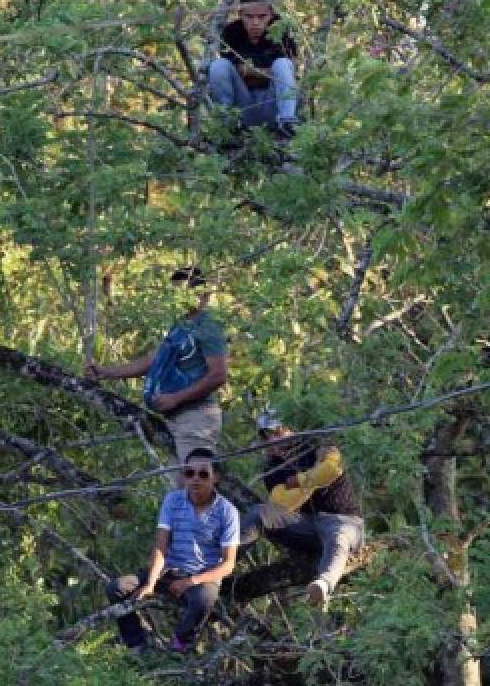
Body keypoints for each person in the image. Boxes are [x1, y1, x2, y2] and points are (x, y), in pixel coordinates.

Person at [86, 267, 228, 485]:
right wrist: (106, 372)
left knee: (193, 488)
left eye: (185, 291)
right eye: (176, 292)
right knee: (177, 487)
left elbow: (218, 375)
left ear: (203, 294)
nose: (179, 297)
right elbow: (155, 360)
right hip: (176, 418)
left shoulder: (207, 326)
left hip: (197, 418)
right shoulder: (179, 326)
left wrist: (176, 398)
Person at [104, 448, 240, 653]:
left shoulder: (227, 511)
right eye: (189, 473)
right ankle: (137, 645)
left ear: (216, 478)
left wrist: (191, 581)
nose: (195, 479)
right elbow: (160, 546)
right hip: (168, 573)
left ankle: (179, 646)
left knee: (204, 598)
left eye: (203, 474)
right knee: (116, 587)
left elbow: (228, 564)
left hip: (201, 579)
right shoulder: (173, 500)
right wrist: (150, 582)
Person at [240, 409, 363, 609]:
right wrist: (313, 477)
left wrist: (300, 480)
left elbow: (332, 469)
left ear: (292, 429)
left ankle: (323, 584)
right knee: (259, 513)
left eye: (277, 432)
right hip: (306, 526)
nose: (272, 439)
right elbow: (283, 502)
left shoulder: (319, 446)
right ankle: (225, 563)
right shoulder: (273, 469)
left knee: (338, 537)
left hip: (343, 520)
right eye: (266, 435)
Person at [208, 0, 299, 139]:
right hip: (244, 105)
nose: (255, 23)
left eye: (262, 16)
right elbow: (228, 74)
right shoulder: (232, 32)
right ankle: (228, 124)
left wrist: (248, 71)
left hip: (272, 104)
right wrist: (264, 72)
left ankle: (287, 124)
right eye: (249, 17)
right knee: (218, 66)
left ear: (271, 14)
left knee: (282, 64)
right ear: (240, 15)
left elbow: (289, 72)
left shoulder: (282, 30)